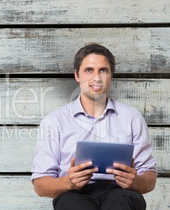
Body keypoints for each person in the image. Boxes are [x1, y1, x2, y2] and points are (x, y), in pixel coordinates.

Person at [31, 44, 157, 210]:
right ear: (77, 75)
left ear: (111, 75)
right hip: (74, 193)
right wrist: (68, 182)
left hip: (122, 192)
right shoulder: (54, 121)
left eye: (103, 70)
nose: (96, 78)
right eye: (89, 70)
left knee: (124, 203)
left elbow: (149, 178)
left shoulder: (132, 118)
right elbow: (40, 185)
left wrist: (136, 181)